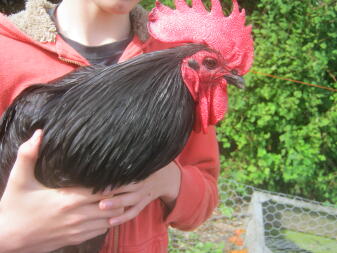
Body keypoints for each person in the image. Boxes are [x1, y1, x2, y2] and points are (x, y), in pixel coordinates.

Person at [0, 0, 220, 252]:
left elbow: (205, 200)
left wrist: (169, 179)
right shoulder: (6, 53)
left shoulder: (182, 64)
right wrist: (9, 235)